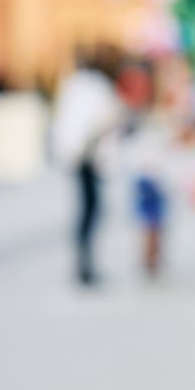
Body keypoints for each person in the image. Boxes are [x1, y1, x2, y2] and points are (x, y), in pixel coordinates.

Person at [51, 46, 124, 286]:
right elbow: (102, 119)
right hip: (87, 156)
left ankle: (85, 261)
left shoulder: (75, 85)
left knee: (88, 209)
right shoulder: (94, 87)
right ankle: (84, 262)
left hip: (82, 154)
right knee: (90, 209)